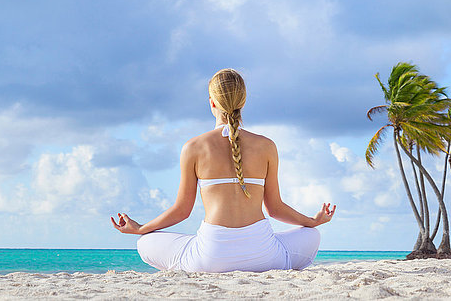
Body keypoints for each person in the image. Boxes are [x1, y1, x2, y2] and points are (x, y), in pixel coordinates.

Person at [111, 68, 336, 273]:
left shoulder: (193, 147)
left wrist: (141, 228)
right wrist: (312, 221)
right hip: (265, 256)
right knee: (311, 234)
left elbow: (182, 210)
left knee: (144, 243)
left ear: (212, 103)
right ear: (243, 102)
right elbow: (275, 209)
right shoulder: (267, 146)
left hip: (210, 257)